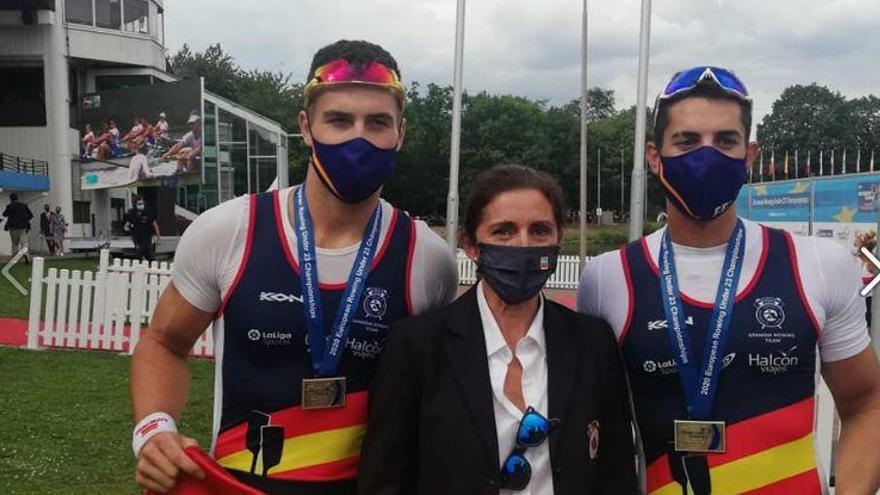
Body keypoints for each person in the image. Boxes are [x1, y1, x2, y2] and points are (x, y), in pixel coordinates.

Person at [131, 39, 458, 494]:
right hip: (240, 484)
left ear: (399, 133)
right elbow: (164, 342)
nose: (358, 138)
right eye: (339, 120)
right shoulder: (229, 230)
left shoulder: (428, 257)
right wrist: (154, 428)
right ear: (306, 127)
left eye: (377, 122)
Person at [577, 66, 880, 495]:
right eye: (687, 141)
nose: (707, 155)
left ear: (749, 155)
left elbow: (867, 404)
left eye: (725, 141)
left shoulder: (817, 263)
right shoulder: (608, 278)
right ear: (653, 156)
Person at [359, 165, 637, 494]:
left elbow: (615, 472)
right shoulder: (417, 346)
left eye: (539, 231)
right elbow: (386, 478)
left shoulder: (593, 343)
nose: (523, 245)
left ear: (558, 240)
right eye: (504, 231)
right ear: (472, 245)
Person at [124, 196, 161, 262]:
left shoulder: (148, 212)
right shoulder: (133, 213)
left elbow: (155, 225)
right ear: (136, 204)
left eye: (141, 203)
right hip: (137, 238)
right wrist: (128, 229)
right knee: (140, 254)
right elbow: (126, 225)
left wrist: (158, 237)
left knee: (147, 254)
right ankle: (142, 264)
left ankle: (150, 265)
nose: (140, 205)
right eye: (139, 204)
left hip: (147, 237)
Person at [2, 193, 33, 262]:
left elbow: (4, 214)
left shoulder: (10, 206)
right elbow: (31, 215)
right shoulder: (24, 205)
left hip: (13, 227)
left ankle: (15, 257)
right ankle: (26, 254)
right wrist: (25, 221)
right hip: (23, 227)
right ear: (17, 198)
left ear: (11, 199)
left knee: (15, 243)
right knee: (24, 242)